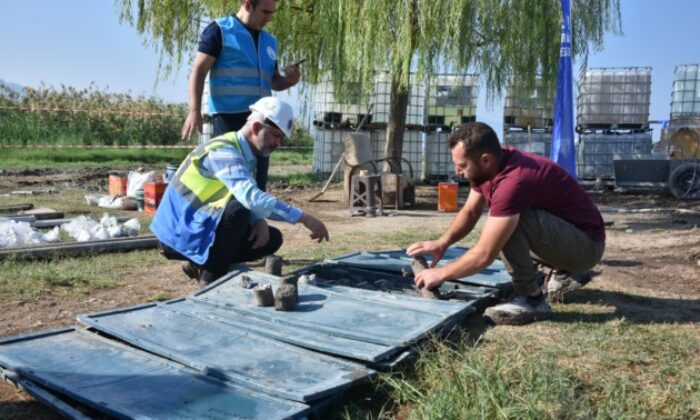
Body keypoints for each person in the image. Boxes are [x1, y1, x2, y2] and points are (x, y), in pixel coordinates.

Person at [407, 122, 605, 325]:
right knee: (506, 223)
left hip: (586, 246)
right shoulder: (494, 164)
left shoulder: (512, 182)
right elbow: (471, 211)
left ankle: (532, 299)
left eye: (462, 165)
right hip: (571, 236)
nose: (457, 171)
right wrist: (443, 242)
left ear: (485, 160)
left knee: (510, 225)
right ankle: (565, 273)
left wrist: (440, 274)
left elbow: (484, 254)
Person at [152, 97, 329, 284]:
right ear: (256, 128)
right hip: (176, 233)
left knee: (271, 239)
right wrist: (304, 217)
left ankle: (200, 264)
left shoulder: (245, 155)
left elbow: (243, 195)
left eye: (281, 138)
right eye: (276, 135)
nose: (279, 144)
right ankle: (211, 278)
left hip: (197, 225)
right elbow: (250, 198)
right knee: (238, 211)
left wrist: (258, 219)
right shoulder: (224, 151)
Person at [181, 0, 301, 192]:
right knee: (229, 186)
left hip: (262, 123)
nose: (268, 18)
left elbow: (274, 81)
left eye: (272, 13)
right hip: (229, 120)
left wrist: (291, 81)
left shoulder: (270, 41)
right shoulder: (219, 30)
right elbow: (199, 70)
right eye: (265, 12)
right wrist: (194, 110)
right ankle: (229, 221)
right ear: (247, 4)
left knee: (257, 185)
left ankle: (255, 221)